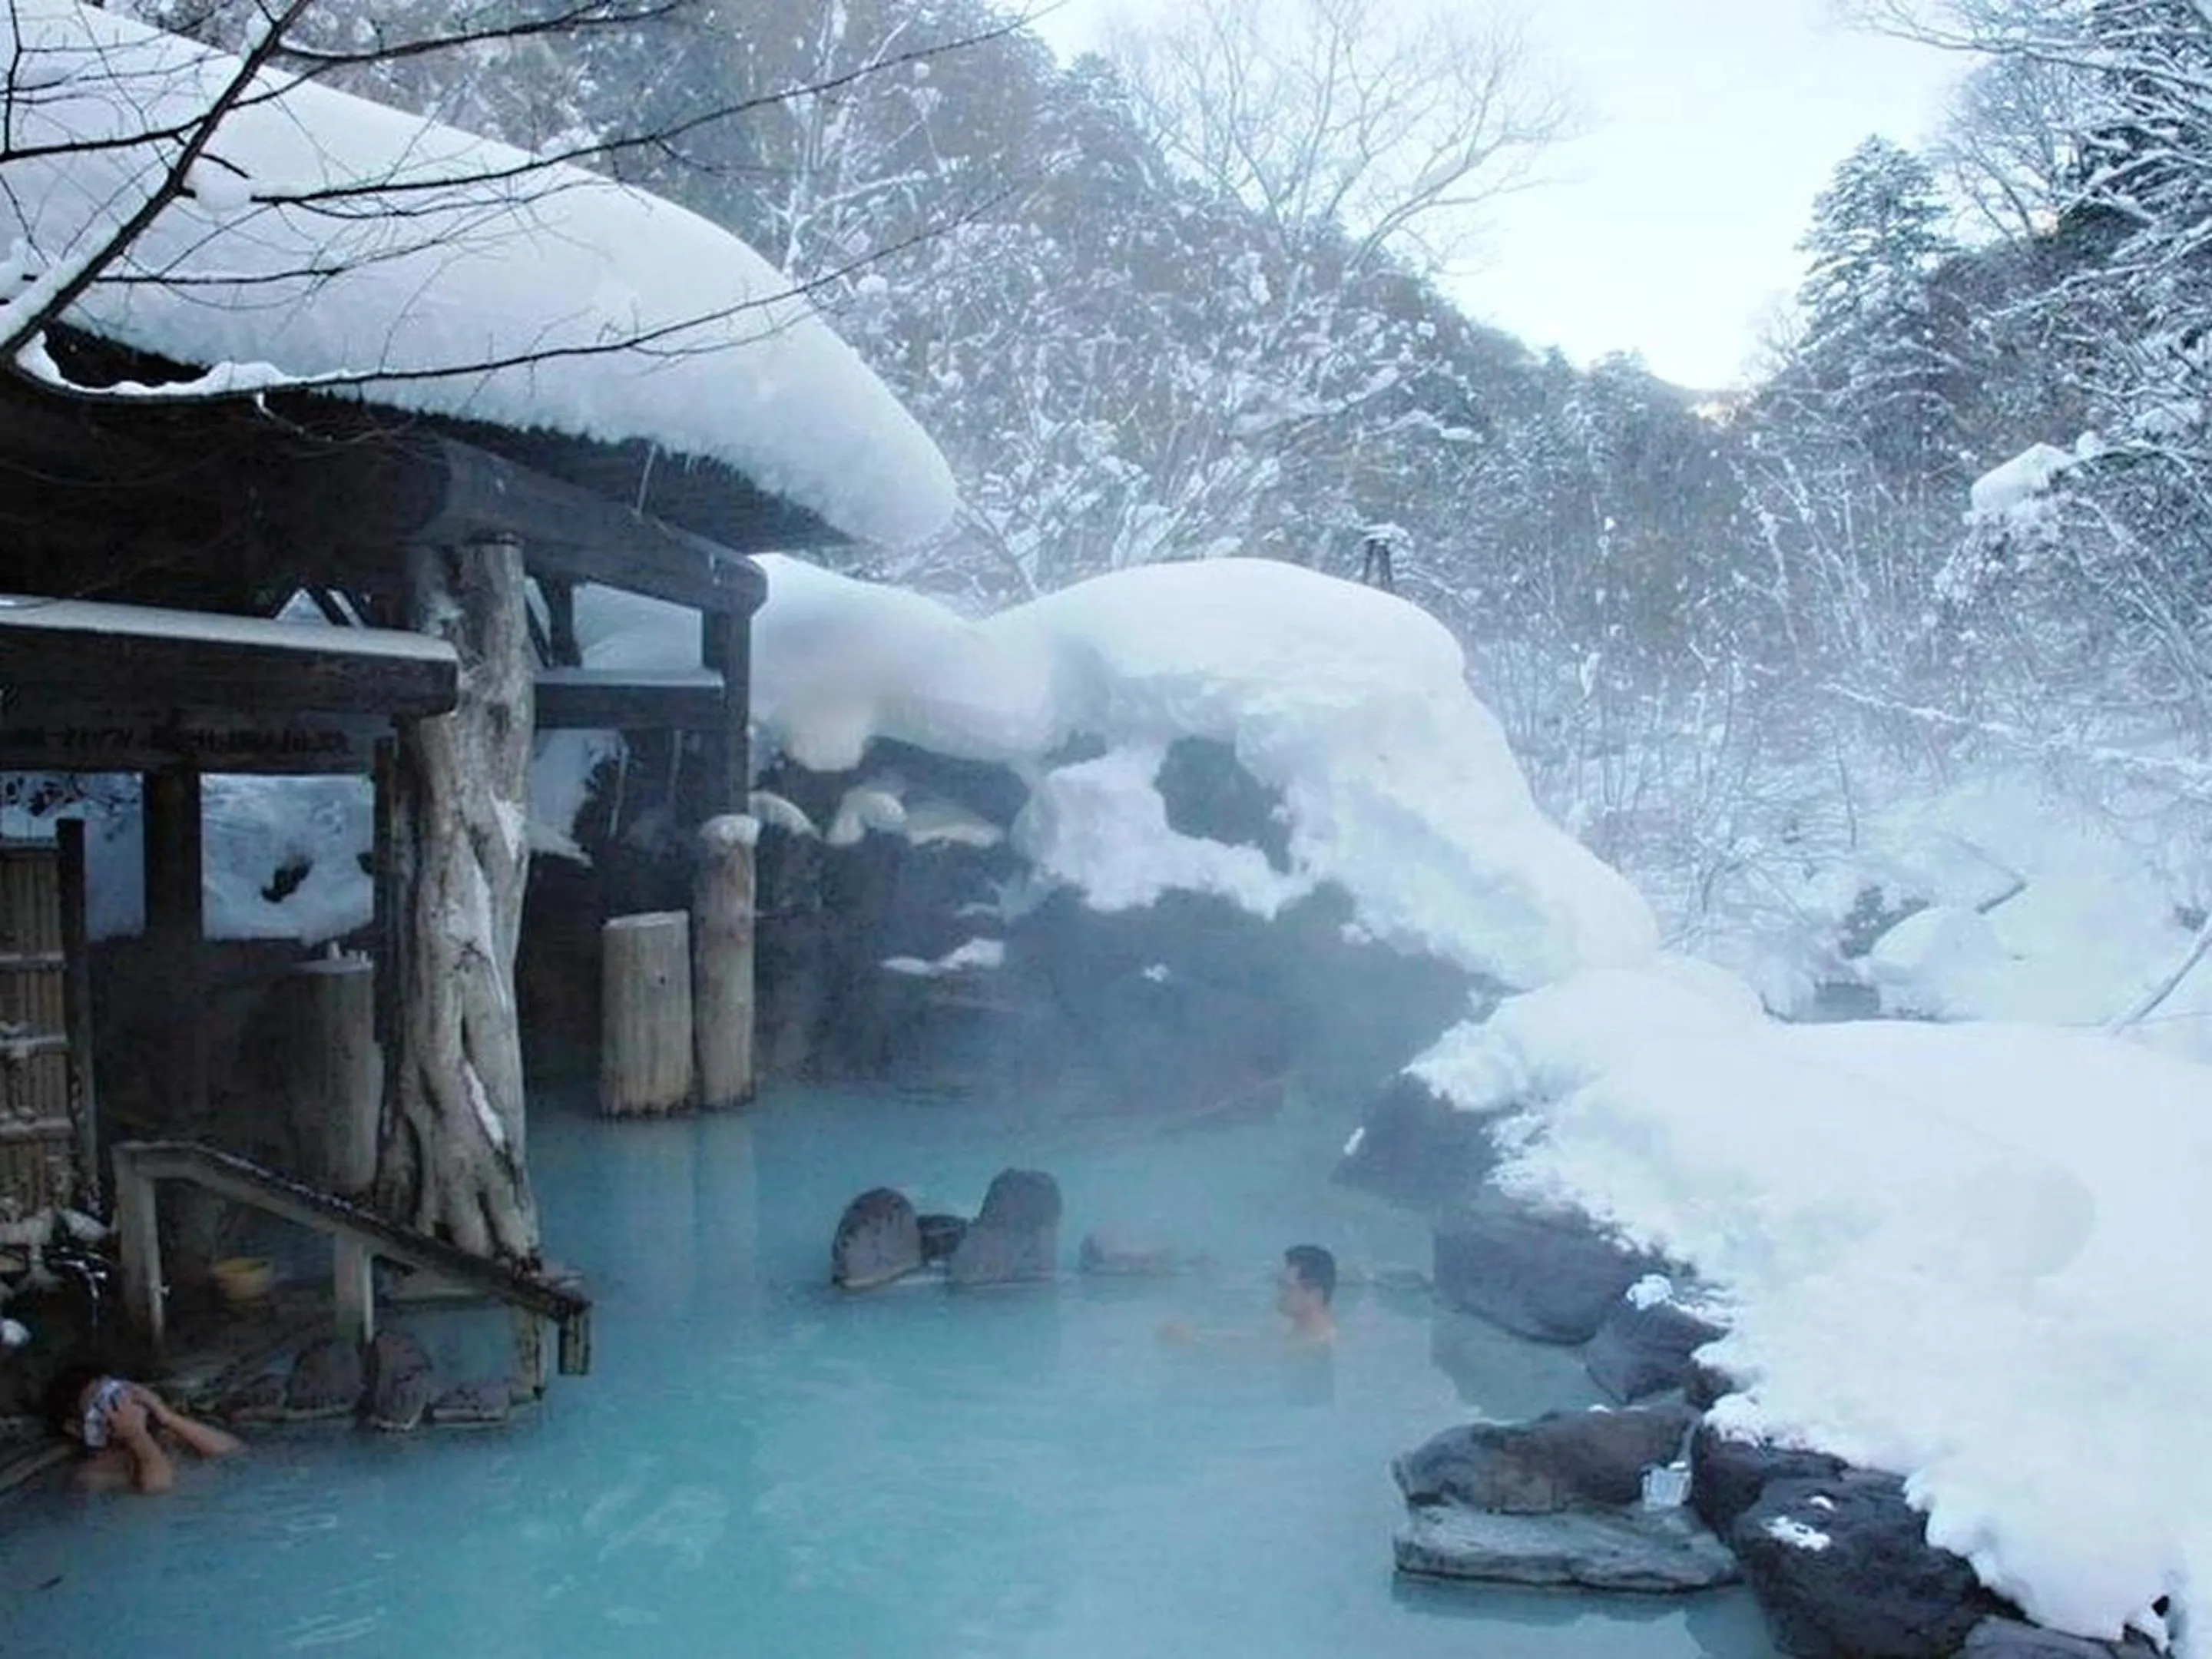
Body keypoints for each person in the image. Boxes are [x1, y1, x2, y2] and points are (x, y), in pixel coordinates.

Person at [44, 1364, 243, 1494]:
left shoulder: (165, 1437)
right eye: (103, 1404)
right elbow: (161, 1493)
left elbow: (234, 1452)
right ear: (78, 1427)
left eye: (117, 1395)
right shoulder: (95, 1476)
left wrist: (167, 1416)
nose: (119, 1405)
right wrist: (137, 1437)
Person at [1160, 1243, 1338, 1348]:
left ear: (1314, 1295)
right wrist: (1199, 1334)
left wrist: (1193, 1341)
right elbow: (1246, 1340)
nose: (1279, 1293)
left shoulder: (1314, 1345)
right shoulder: (1296, 1331)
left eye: (1286, 1287)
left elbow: (1252, 1355)